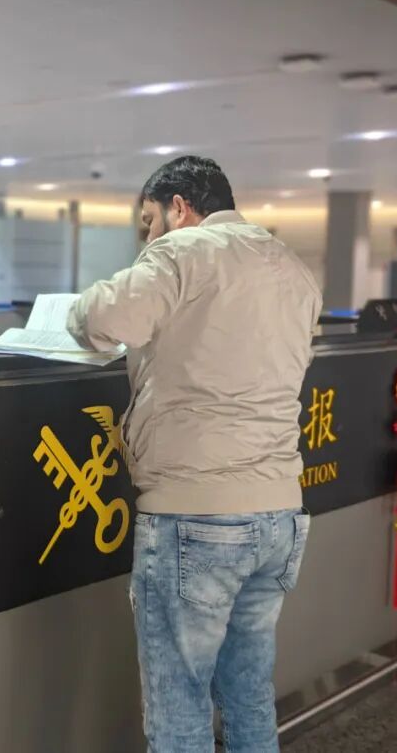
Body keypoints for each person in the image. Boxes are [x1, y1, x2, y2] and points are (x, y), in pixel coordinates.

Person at [67, 156, 322, 752]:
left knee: (180, 701)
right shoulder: (291, 266)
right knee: (248, 693)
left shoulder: (181, 251)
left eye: (149, 222)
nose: (148, 236)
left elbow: (100, 320)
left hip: (196, 514)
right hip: (280, 514)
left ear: (178, 207)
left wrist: (80, 306)